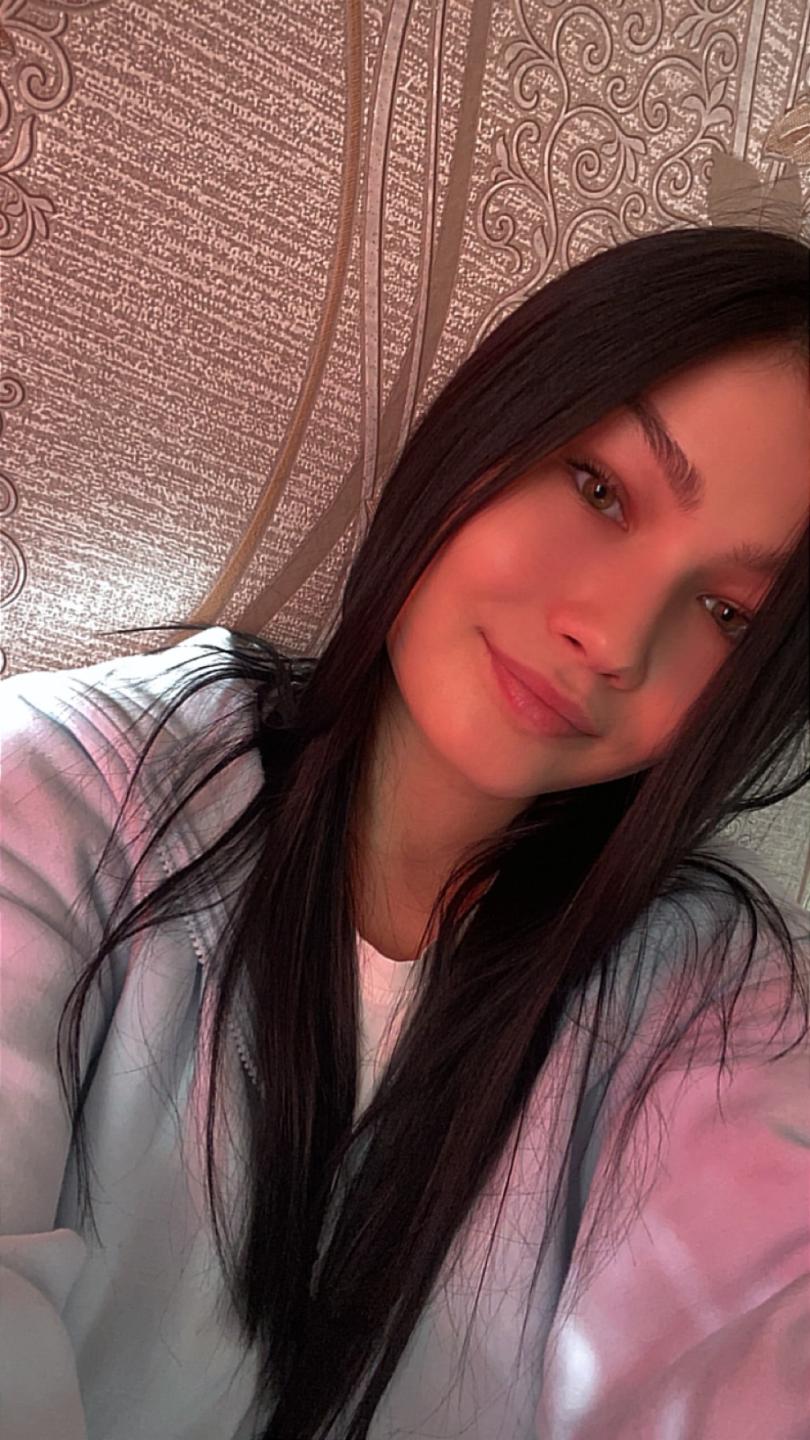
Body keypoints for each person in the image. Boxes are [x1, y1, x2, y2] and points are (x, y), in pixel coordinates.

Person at [1, 223, 808, 1440]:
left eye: (726, 613)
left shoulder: (714, 1001)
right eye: (600, 490)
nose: (611, 636)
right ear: (491, 424)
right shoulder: (74, 787)